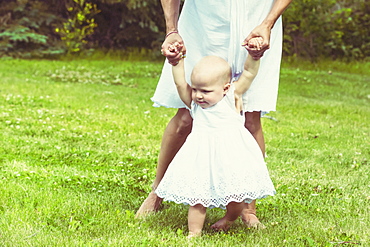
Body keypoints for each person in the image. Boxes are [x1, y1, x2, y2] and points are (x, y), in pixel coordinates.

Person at [136, 0, 292, 227]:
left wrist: (268, 23)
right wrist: (172, 30)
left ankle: (248, 207)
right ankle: (157, 192)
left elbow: (249, 72)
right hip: (205, 22)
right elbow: (183, 87)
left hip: (258, 21)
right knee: (185, 116)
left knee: (250, 118)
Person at [155, 41, 276, 237]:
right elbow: (179, 83)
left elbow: (248, 74)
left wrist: (254, 57)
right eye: (195, 89)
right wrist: (176, 62)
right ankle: (194, 232)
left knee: (236, 199)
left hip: (231, 156)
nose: (198, 96)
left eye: (206, 91)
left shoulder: (231, 98)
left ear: (225, 88)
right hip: (202, 158)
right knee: (198, 197)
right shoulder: (195, 104)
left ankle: (229, 218)